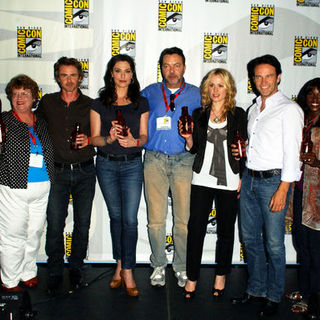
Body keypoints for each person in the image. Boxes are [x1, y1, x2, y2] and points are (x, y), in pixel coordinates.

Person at [231, 54, 304, 317]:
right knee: (250, 239)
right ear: (253, 79)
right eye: (258, 76)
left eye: (269, 76)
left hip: (274, 182)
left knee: (274, 243)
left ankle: (274, 295)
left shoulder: (289, 109)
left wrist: (283, 189)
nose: (263, 81)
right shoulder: (252, 109)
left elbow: (292, 153)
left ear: (279, 77)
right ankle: (256, 289)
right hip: (250, 179)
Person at [179, 68, 247, 300]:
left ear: (228, 88)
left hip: (229, 179)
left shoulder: (239, 114)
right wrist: (187, 138)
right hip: (202, 178)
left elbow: (245, 150)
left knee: (226, 232)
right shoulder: (199, 113)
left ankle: (221, 275)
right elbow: (194, 149)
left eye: (220, 85)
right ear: (206, 89)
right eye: (211, 85)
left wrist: (243, 176)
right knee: (196, 230)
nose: (215, 90)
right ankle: (192, 277)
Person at [141, 47, 201, 287]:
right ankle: (158, 264)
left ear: (184, 67)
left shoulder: (198, 95)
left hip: (184, 161)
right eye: (167, 65)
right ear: (161, 68)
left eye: (177, 65)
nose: (172, 70)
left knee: (183, 221)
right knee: (155, 220)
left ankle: (181, 266)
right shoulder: (149, 93)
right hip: (154, 159)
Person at [90, 54, 149, 297]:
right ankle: (119, 264)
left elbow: (144, 137)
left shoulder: (141, 102)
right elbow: (94, 139)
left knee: (130, 220)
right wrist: (110, 139)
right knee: (116, 217)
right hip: (106, 165)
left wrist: (135, 141)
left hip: (133, 165)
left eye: (127, 71)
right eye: (118, 71)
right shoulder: (98, 103)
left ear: (132, 75)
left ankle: (128, 270)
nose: (123, 76)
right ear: (111, 74)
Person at [36, 57, 96, 293]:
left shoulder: (91, 104)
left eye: (73, 75)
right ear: (57, 77)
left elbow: (101, 136)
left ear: (80, 78)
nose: (69, 80)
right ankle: (54, 271)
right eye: (64, 75)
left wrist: (90, 140)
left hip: (85, 170)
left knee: (82, 223)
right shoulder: (47, 103)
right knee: (55, 224)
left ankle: (77, 268)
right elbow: (33, 127)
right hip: (57, 171)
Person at [0, 74, 54, 291]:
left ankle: (28, 271)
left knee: (34, 233)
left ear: (34, 97)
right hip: (13, 186)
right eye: (15, 94)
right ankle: (9, 279)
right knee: (13, 235)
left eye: (25, 93)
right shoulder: (3, 121)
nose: (20, 98)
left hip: (42, 185)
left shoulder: (40, 122)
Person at [285, 78, 320, 318]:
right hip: (299, 191)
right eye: (310, 94)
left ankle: (313, 300)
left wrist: (317, 163)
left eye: (319, 94)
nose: (315, 99)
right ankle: (305, 289)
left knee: (316, 250)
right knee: (302, 245)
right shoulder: (301, 121)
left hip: (317, 197)